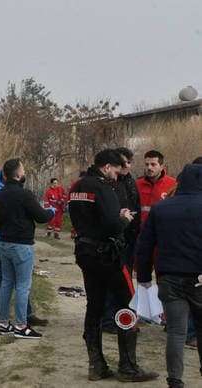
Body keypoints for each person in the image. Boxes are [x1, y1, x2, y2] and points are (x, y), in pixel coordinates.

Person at [69, 149, 157, 382]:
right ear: (107, 167)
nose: (118, 176)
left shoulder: (76, 187)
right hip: (108, 255)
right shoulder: (103, 187)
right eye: (116, 171)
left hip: (85, 252)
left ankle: (96, 365)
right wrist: (124, 219)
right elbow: (111, 224)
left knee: (94, 305)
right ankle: (128, 367)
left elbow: (79, 218)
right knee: (128, 304)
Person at [135, 162, 202, 388]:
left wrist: (143, 276)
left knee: (176, 332)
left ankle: (175, 380)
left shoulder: (161, 208)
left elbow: (144, 245)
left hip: (169, 277)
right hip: (200, 278)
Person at [0, 169, 47, 328]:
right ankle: (0, 315)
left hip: (2, 239)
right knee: (4, 279)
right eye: (21, 171)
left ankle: (15, 317)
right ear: (8, 176)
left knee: (13, 280)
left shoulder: (2, 192)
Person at [0, 159, 54, 339]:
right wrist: (51, 212)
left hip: (4, 243)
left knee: (6, 283)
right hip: (22, 245)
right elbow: (41, 217)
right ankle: (20, 326)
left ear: (4, 175)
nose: (24, 172)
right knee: (22, 286)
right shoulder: (24, 195)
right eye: (23, 170)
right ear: (18, 175)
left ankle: (4, 323)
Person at [101, 147, 142, 334]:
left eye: (127, 162)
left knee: (125, 282)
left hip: (130, 238)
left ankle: (124, 317)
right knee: (113, 282)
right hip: (115, 239)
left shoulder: (130, 182)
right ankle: (110, 319)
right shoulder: (110, 184)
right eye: (122, 163)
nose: (125, 166)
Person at [136, 150, 177, 224]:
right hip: (141, 231)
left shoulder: (173, 184)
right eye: (147, 164)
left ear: (161, 167)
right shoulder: (137, 184)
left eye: (153, 164)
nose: (149, 167)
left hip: (163, 229)